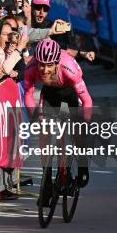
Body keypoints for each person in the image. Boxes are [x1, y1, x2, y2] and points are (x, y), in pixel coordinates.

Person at [23, 39, 93, 198]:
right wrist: (35, 118)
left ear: (56, 63)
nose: (45, 69)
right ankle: (46, 177)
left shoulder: (69, 69)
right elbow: (27, 95)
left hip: (69, 91)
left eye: (49, 65)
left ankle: (82, 165)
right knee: (43, 130)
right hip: (50, 92)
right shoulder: (32, 67)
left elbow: (87, 101)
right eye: (41, 64)